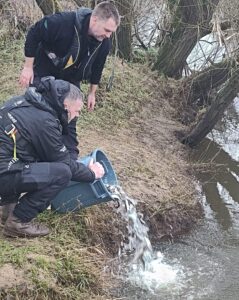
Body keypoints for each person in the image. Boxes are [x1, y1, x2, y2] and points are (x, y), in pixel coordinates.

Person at [0, 76, 105, 238]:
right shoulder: (45, 121)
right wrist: (92, 174)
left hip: (5, 166)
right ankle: (18, 222)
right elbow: (64, 164)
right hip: (4, 174)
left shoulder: (27, 102)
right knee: (61, 173)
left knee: (20, 154)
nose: (76, 116)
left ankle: (7, 210)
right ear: (65, 106)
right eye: (77, 111)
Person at [19, 1, 120, 111]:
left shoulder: (104, 42)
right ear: (94, 19)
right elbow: (34, 33)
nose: (108, 36)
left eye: (111, 32)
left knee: (69, 117)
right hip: (45, 68)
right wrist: (28, 67)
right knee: (38, 110)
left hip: (71, 77)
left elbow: (98, 67)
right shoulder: (61, 22)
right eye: (107, 30)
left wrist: (92, 93)